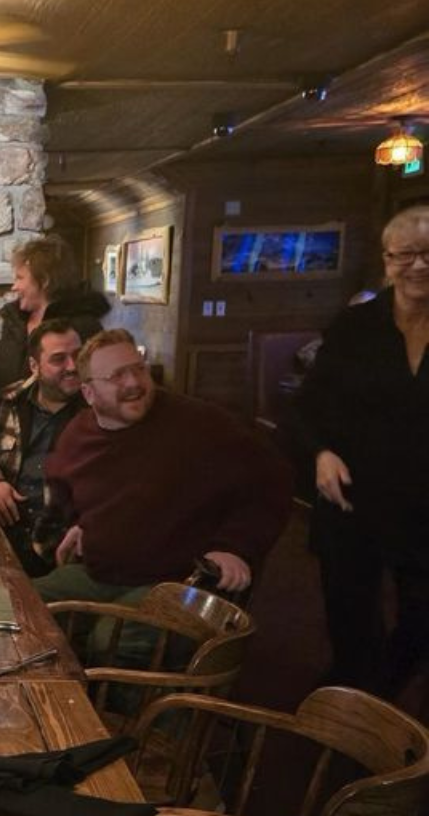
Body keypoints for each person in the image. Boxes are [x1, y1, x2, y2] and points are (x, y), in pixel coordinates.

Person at [37, 329, 291, 606]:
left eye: (139, 369)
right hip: (98, 573)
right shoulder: (77, 434)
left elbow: (273, 479)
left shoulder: (198, 423)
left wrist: (234, 548)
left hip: (174, 583)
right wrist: (78, 524)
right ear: (89, 393)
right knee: (16, 603)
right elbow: (62, 495)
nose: (134, 382)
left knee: (112, 632)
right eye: (117, 376)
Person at [292, 205, 429, 697]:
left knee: (421, 615)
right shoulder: (355, 326)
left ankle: (381, 691)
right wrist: (321, 453)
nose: (418, 265)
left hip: (423, 499)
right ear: (388, 261)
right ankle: (350, 697)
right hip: (353, 491)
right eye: (406, 254)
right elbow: (308, 405)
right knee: (349, 610)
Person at [0, 319, 87, 574]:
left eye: (78, 355)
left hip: (62, 549)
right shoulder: (9, 400)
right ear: (34, 365)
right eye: (59, 359)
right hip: (5, 537)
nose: (73, 366)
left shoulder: (97, 408)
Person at [0, 235, 110, 414]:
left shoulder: (84, 327)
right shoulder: (16, 321)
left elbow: (94, 390)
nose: (14, 287)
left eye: (20, 278)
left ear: (44, 281)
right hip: (13, 426)